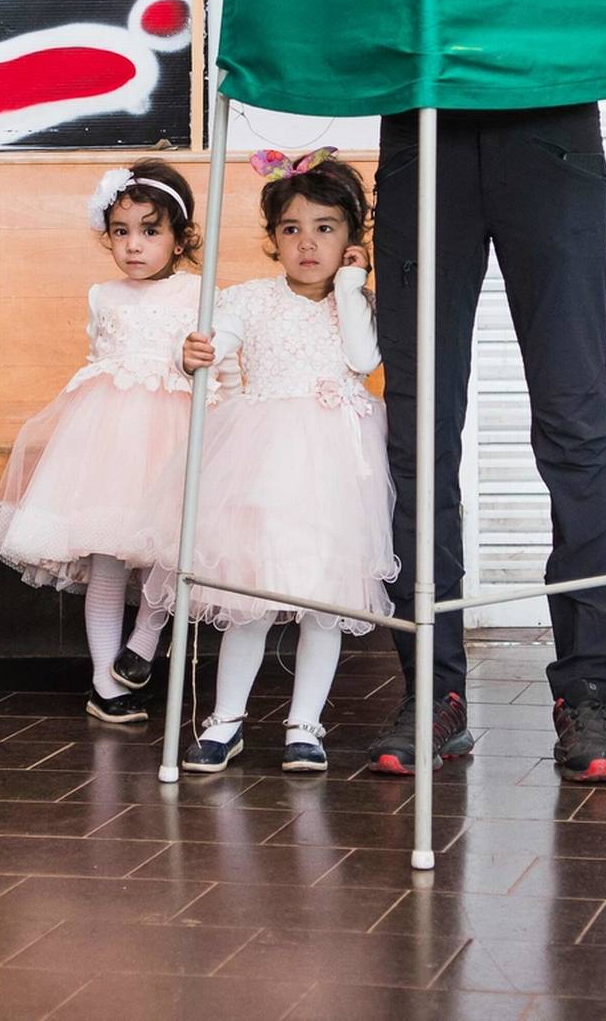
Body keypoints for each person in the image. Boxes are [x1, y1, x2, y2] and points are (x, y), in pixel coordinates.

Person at [371, 105, 606, 785]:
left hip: (550, 113)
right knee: (419, 430)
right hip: (425, 122)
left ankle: (589, 693)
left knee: (575, 420)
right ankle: (434, 690)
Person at [141, 151, 395, 777]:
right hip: (264, 457)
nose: (308, 244)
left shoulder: (355, 301)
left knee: (326, 598)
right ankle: (226, 720)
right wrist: (193, 352)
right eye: (292, 229)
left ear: (351, 238)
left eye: (326, 228)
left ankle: (304, 724)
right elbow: (214, 341)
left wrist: (348, 288)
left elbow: (362, 362)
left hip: (337, 461)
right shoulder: (250, 298)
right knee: (249, 595)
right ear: (273, 238)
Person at [0, 161, 200, 723]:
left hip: (173, 438)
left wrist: (189, 365)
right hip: (107, 442)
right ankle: (106, 682)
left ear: (181, 240)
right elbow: (98, 360)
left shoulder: (199, 293)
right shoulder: (102, 295)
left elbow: (215, 371)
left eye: (151, 232)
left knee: (176, 549)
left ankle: (145, 642)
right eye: (121, 232)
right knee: (107, 558)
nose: (134, 246)